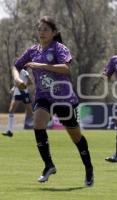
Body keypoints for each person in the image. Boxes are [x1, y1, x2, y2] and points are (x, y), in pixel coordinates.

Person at [11, 16, 94, 187]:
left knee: (76, 137)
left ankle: (89, 168)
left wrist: (41, 66)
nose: (41, 32)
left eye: (45, 29)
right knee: (38, 123)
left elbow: (65, 68)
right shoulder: (33, 51)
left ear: (54, 32)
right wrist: (17, 79)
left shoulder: (59, 48)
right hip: (44, 97)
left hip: (64, 98)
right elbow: (16, 66)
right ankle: (49, 165)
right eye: (39, 29)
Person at [2, 69, 33, 137]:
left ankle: (40, 125)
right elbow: (17, 83)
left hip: (24, 93)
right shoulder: (15, 73)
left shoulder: (24, 72)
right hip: (17, 94)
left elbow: (30, 82)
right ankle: (10, 131)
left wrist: (24, 87)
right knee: (11, 110)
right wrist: (13, 88)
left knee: (30, 111)